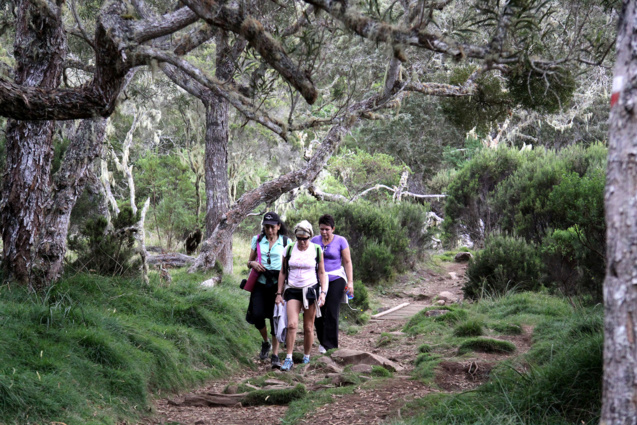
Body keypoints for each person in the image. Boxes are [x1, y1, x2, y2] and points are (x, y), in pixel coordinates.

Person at [275, 220, 327, 371]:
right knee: (291, 325)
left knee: (308, 327)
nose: (302, 242)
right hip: (292, 290)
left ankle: (306, 356)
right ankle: (289, 358)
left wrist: (322, 293)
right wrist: (279, 293)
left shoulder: (316, 249)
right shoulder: (289, 249)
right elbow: (283, 272)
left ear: (309, 237)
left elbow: (322, 272)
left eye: (305, 239)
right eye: (299, 238)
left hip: (310, 290)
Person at [247, 212, 291, 369]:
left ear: (278, 226)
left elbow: (288, 266)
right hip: (260, 282)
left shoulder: (286, 242)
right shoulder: (258, 240)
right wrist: (253, 264)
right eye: (267, 227)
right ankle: (265, 343)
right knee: (257, 315)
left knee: (275, 319)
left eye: (272, 227)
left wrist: (283, 290)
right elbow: (249, 261)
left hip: (277, 284)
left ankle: (275, 356)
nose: (270, 231)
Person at [312, 214, 354, 353]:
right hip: (317, 279)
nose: (324, 232)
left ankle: (331, 346)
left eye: (327, 229)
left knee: (331, 310)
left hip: (336, 277)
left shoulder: (341, 241)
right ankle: (323, 342)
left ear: (333, 229)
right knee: (318, 311)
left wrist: (350, 282)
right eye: (322, 229)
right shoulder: (314, 241)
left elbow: (347, 262)